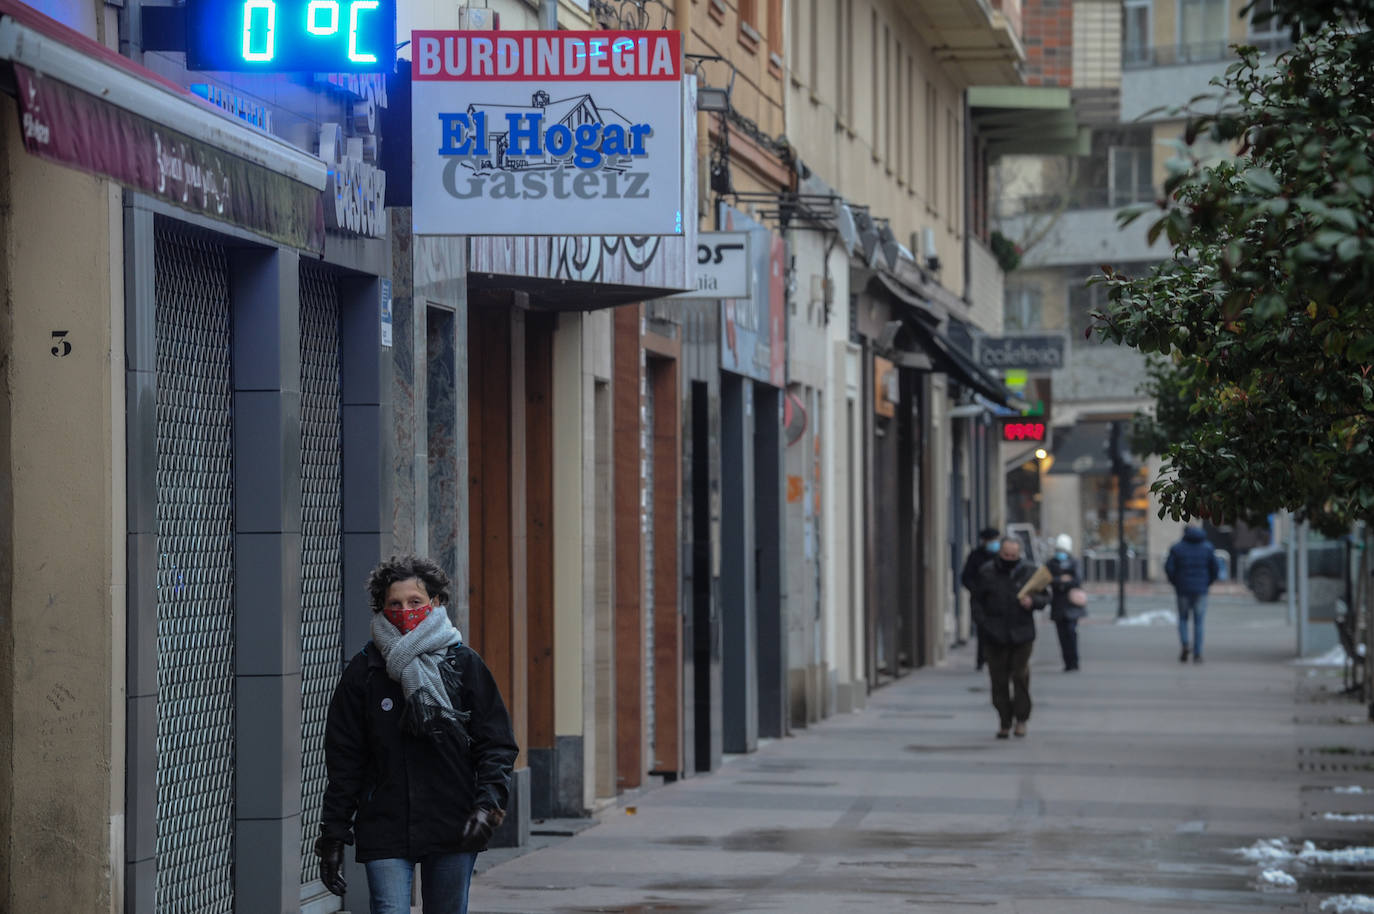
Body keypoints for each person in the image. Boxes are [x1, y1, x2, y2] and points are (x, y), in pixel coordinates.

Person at [314, 555, 519, 914]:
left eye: (415, 602)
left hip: (453, 821)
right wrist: (333, 834)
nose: (404, 610)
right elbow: (345, 757)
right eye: (395, 603)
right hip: (385, 822)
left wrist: (488, 805)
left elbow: (496, 743)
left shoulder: (463, 664)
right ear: (381, 607)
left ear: (435, 603)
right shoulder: (366, 670)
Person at [973, 537, 1050, 739]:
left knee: (1020, 675)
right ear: (1000, 553)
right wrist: (983, 624)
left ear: (1019, 554)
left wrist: (1032, 601)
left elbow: (1044, 597)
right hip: (994, 634)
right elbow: (977, 601)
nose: (1009, 558)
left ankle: (1021, 719)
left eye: (1013, 555)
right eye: (1006, 555)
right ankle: (1004, 721)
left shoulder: (1029, 570)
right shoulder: (987, 571)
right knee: (998, 680)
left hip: (1022, 633)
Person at [1165, 526, 1220, 664]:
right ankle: (1197, 653)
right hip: (1201, 590)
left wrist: (1175, 582)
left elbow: (1169, 568)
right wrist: (1207, 583)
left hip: (1182, 589)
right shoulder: (1207, 547)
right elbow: (1215, 568)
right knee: (1199, 621)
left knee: (1183, 618)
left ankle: (1185, 644)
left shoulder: (1177, 548)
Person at [960, 527, 1002, 671]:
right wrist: (976, 590)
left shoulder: (1002, 556)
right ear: (984, 541)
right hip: (981, 600)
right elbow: (966, 577)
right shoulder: (975, 556)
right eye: (991, 541)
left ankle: (996, 658)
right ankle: (981, 659)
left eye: (996, 540)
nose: (994, 543)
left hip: (998, 599)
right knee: (983, 629)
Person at [1047, 534, 1085, 672]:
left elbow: (1077, 580)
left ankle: (1074, 660)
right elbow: (1047, 579)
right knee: (1062, 635)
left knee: (1071, 632)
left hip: (1071, 604)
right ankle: (1067, 662)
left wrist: (1062, 581)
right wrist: (1061, 580)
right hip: (1058, 604)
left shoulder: (1074, 562)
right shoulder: (1051, 563)